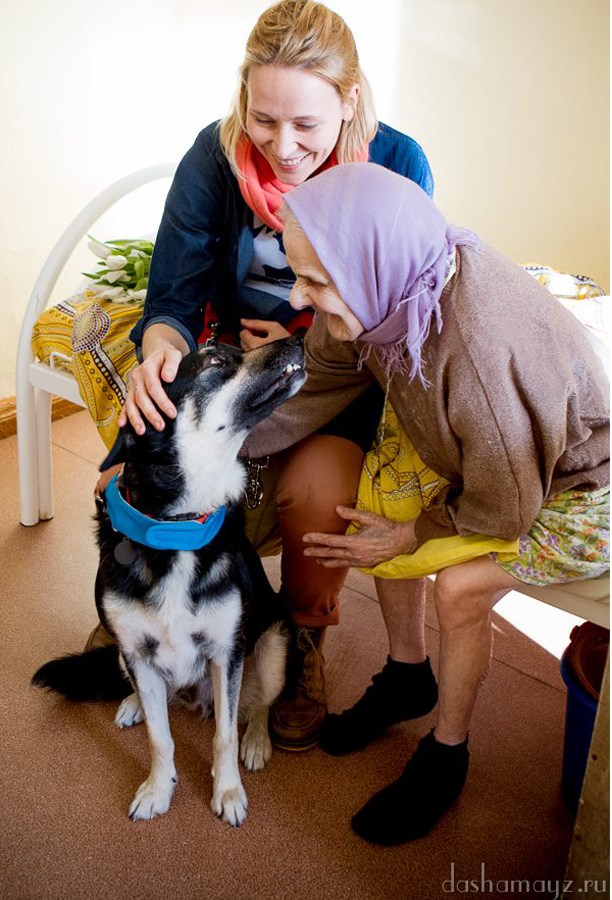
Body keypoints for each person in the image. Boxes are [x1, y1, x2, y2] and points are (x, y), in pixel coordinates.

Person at [93, 0, 434, 752]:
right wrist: (159, 352)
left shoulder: (397, 166)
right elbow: (172, 300)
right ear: (243, 98)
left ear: (349, 101)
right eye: (263, 119)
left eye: (306, 125)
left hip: (337, 370)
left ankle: (301, 637)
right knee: (138, 462)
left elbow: (396, 315)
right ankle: (135, 606)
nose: (282, 147)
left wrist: (309, 342)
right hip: (230, 361)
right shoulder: (212, 157)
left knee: (315, 496)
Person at [242, 162, 610, 845]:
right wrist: (210, 448)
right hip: (493, 458)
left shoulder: (477, 358)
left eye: (314, 281)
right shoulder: (384, 285)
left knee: (458, 588)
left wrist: (415, 533)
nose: (298, 295)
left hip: (581, 487)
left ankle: (446, 754)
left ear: (366, 267)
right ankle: (408, 675)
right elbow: (315, 382)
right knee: (379, 500)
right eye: (298, 274)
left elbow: (505, 506)